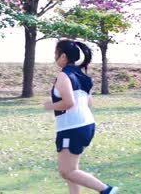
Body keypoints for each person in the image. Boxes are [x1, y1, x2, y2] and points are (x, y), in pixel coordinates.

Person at [44, 39, 118, 194]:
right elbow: (89, 102)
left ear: (63, 56)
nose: (54, 57)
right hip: (86, 124)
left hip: (72, 127)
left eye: (56, 54)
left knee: (67, 171)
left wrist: (50, 105)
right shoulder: (83, 76)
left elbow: (69, 103)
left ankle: (107, 190)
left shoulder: (63, 76)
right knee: (72, 170)